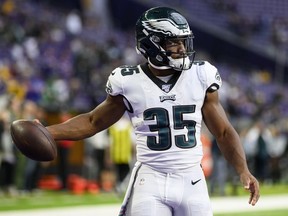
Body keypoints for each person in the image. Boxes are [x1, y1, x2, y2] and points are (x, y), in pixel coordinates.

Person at [37, 7, 259, 216]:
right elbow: (93, 121)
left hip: (192, 178)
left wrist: (243, 170)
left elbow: (223, 132)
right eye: (174, 42)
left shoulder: (201, 75)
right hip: (150, 178)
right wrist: (48, 132)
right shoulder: (128, 81)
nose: (182, 48)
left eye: (183, 41)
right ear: (151, 44)